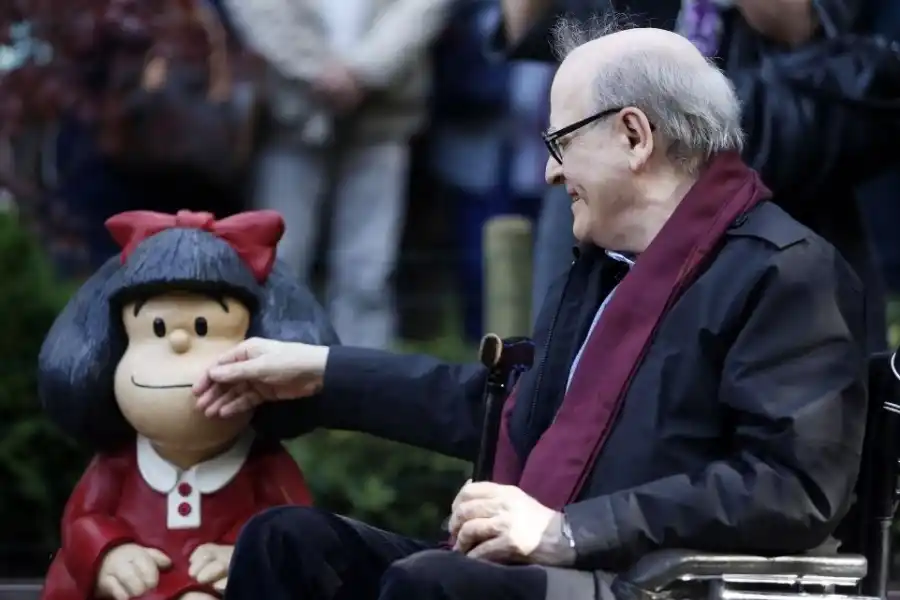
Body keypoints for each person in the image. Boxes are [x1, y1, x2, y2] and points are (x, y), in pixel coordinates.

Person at [195, 22, 868, 600]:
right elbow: (507, 409)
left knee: (435, 585)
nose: (549, 173)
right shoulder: (602, 269)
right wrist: (321, 372)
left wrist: (566, 531)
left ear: (634, 136)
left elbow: (789, 490)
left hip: (649, 581)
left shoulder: (785, 269)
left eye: (560, 144)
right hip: (558, 571)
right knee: (287, 544)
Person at [511, 0, 890, 349]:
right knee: (567, 375)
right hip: (601, 178)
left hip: (758, 177)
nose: (550, 172)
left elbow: (797, 24)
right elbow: (528, 29)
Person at [222, 0, 454, 349]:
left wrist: (364, 70)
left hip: (383, 117)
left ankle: (364, 384)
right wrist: (315, 68)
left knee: (368, 272)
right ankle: (270, 376)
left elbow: (422, 8)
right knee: (279, 265)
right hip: (291, 117)